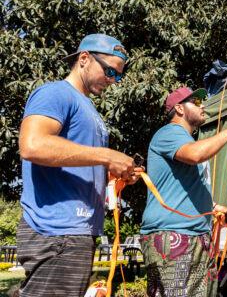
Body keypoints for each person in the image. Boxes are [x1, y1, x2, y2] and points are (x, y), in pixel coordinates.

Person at [17, 33, 142, 296]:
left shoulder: (88, 109)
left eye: (118, 75)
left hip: (77, 232)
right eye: (109, 71)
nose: (113, 80)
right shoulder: (54, 93)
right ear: (84, 59)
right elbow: (33, 144)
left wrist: (114, 173)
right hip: (56, 232)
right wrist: (107, 156)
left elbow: (79, 162)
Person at [140, 86, 227, 297]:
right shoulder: (168, 133)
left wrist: (213, 207)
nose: (203, 105)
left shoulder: (187, 140)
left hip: (196, 235)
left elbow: (184, 186)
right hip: (173, 235)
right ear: (179, 109)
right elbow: (195, 155)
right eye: (196, 102)